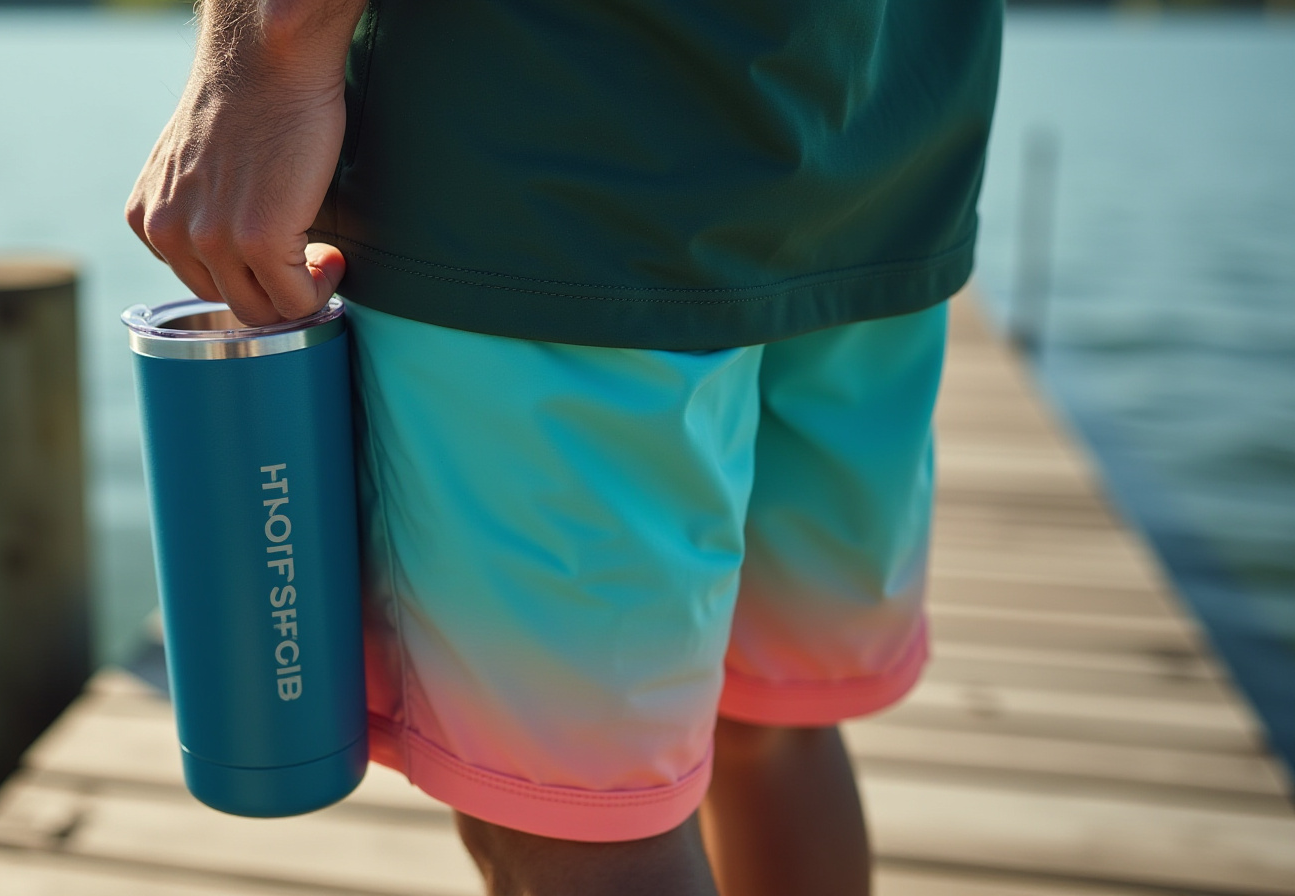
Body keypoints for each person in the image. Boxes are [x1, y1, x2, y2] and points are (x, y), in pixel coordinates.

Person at [126, 0, 1001, 892]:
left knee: (570, 824)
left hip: (554, 161)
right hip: (882, 114)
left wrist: (263, 55)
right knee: (770, 716)